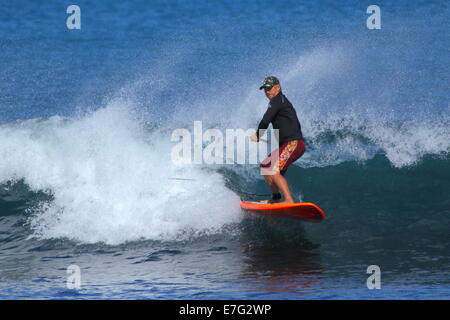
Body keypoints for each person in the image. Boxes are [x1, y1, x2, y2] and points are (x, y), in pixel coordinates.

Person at [250, 76, 306, 204]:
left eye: (269, 88)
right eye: (265, 89)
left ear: (278, 88)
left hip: (293, 143)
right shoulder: (279, 101)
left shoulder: (277, 101)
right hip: (286, 145)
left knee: (273, 169)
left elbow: (265, 120)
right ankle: (275, 198)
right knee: (265, 166)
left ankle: (289, 200)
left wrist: (258, 135)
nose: (267, 91)